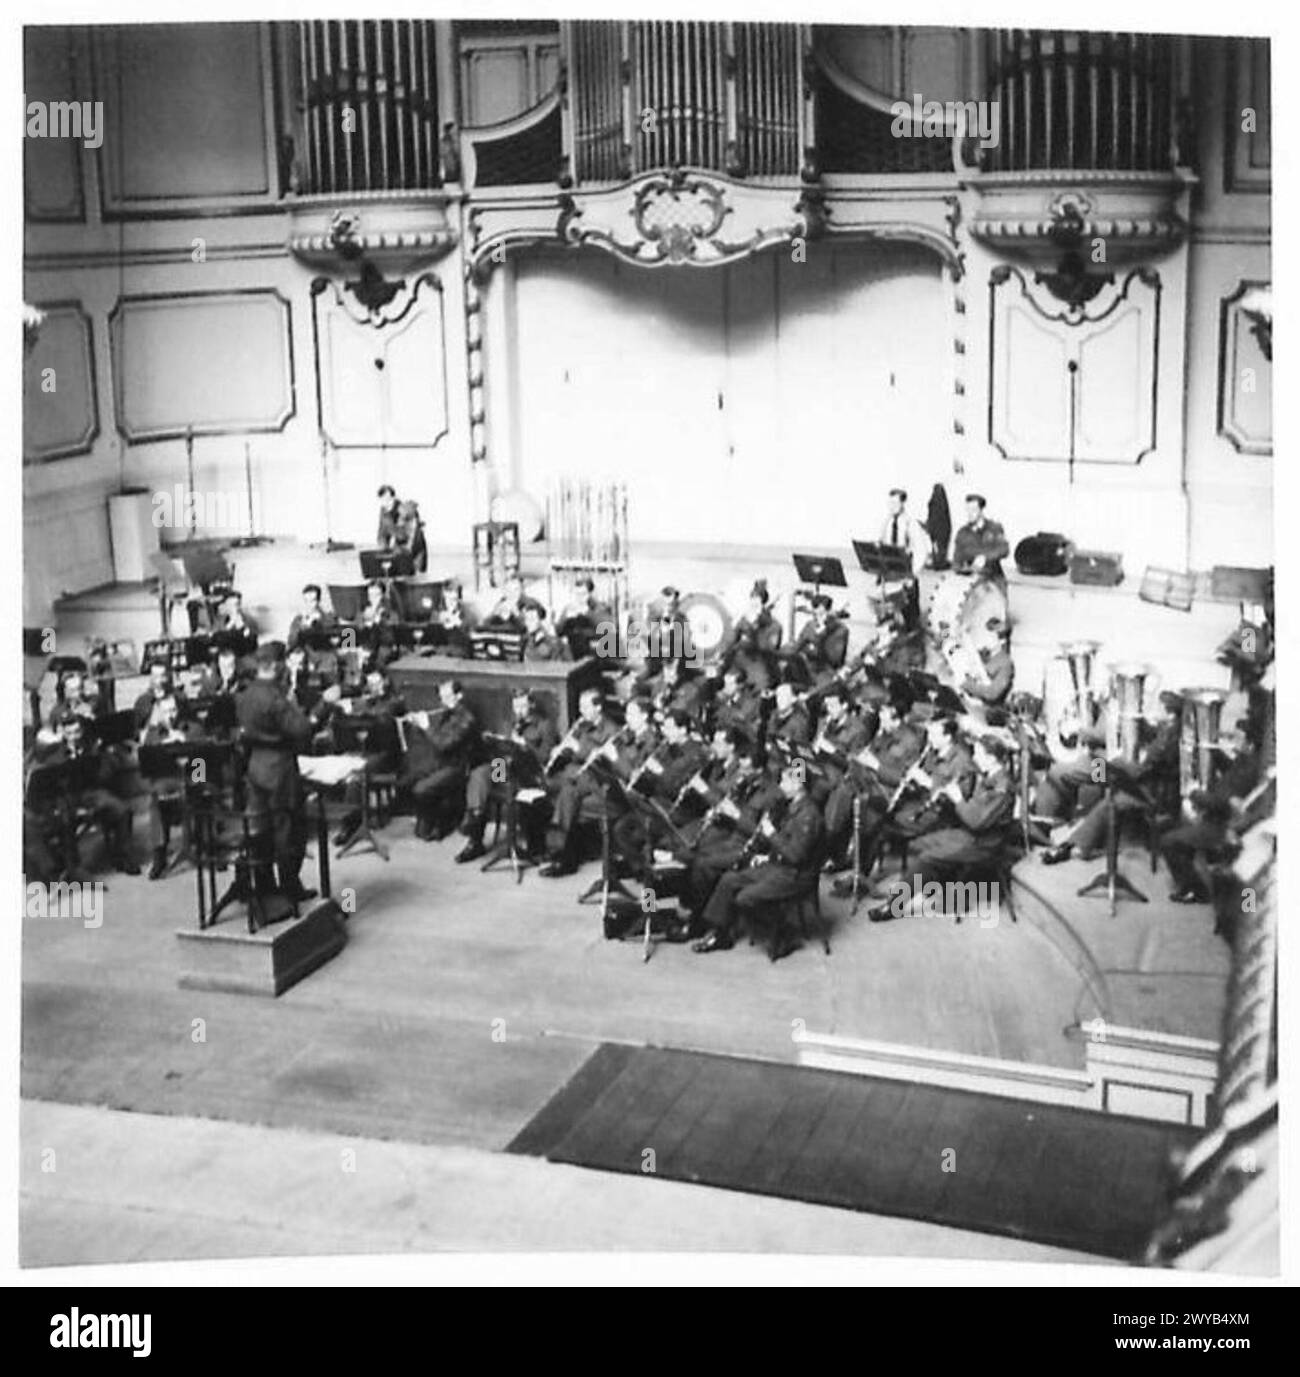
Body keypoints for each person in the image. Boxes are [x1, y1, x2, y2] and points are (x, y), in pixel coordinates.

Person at [867, 733, 1016, 921]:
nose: (975, 757)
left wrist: (958, 799)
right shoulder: (989, 775)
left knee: (927, 858)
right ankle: (946, 895)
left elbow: (977, 821)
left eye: (979, 753)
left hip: (984, 843)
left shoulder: (1002, 787)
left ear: (991, 758)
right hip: (970, 834)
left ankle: (894, 905)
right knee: (919, 844)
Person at [692, 762, 826, 960]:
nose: (781, 783)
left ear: (799, 784)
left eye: (786, 780)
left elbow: (797, 856)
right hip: (779, 865)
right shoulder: (792, 806)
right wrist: (767, 855)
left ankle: (783, 935)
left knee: (745, 898)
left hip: (796, 875)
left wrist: (771, 834)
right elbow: (786, 845)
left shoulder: (809, 815)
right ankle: (720, 933)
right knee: (729, 880)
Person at [236, 642, 315, 905]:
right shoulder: (275, 698)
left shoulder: (246, 695)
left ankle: (266, 886)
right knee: (289, 830)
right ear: (277, 665)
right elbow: (302, 729)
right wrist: (323, 707)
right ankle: (290, 887)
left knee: (263, 830)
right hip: (280, 768)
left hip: (256, 766)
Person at [26, 709, 140, 876]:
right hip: (65, 797)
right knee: (65, 819)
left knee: (121, 809)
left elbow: (105, 775)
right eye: (70, 733)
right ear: (63, 733)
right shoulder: (54, 752)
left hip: (90, 792)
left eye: (77, 731)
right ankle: (74, 867)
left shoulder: (92, 746)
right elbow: (45, 780)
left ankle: (123, 856)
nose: (75, 736)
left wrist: (102, 758)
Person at [456, 687, 557, 863]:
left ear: (531, 705)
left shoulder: (544, 724)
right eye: (515, 707)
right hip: (503, 766)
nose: (519, 711)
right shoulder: (509, 721)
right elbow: (499, 749)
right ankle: (475, 823)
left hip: (527, 772)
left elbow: (544, 757)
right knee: (480, 774)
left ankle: (477, 824)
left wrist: (523, 745)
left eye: (523, 707)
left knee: (502, 785)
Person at [539, 687, 618, 877]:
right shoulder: (582, 724)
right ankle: (544, 844)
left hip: (596, 780)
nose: (581, 711)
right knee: (543, 785)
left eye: (585, 706)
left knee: (567, 794)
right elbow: (572, 753)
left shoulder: (611, 729)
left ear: (598, 707)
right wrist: (561, 750)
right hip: (576, 773)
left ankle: (563, 855)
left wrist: (577, 748)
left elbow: (600, 760)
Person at [405, 679, 481, 842]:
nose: (443, 701)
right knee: (408, 778)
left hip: (458, 767)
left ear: (459, 696)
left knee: (421, 789)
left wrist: (426, 726)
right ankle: (432, 819)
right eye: (441, 697)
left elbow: (443, 744)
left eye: (447, 697)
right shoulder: (448, 713)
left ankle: (441, 822)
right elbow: (437, 740)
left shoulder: (466, 718)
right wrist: (417, 724)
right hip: (443, 763)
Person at [718, 580, 782, 689]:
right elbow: (732, 640)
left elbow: (769, 649)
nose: (753, 605)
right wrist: (722, 654)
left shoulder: (774, 625)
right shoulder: (745, 620)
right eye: (752, 600)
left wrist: (755, 628)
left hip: (762, 664)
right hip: (742, 661)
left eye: (757, 602)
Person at [785, 594, 850, 687]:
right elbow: (798, 645)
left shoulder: (840, 630)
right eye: (816, 613)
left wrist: (821, 635)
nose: (818, 618)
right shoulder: (810, 625)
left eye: (822, 614)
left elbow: (835, 659)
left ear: (829, 611)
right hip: (808, 666)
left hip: (826, 670)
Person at [952, 493, 1009, 581]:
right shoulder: (962, 533)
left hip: (993, 579)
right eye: (968, 510)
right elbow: (956, 559)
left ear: (981, 511)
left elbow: (1004, 549)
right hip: (971, 579)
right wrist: (961, 568)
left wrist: (985, 558)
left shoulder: (994, 528)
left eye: (973, 510)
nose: (970, 513)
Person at [880, 488, 930, 564]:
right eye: (890, 503)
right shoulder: (887, 521)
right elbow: (883, 540)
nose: (891, 506)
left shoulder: (910, 522)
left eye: (894, 503)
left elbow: (921, 549)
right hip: (889, 562)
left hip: (904, 563)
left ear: (902, 503)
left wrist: (912, 569)